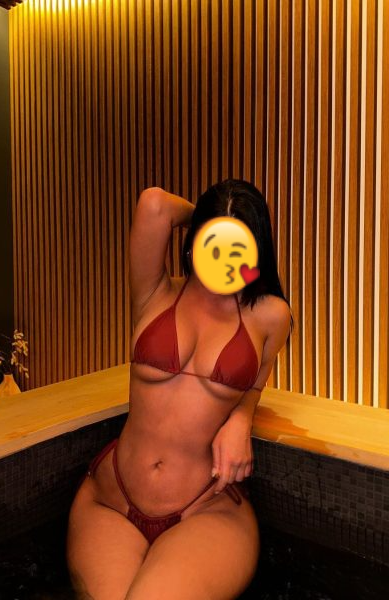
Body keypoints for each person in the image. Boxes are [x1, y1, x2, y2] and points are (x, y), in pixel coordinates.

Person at [66, 179, 293, 600]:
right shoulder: (155, 293)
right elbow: (154, 205)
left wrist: (241, 418)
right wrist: (209, 216)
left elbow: (257, 381)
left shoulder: (270, 316)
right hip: (112, 500)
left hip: (203, 509)